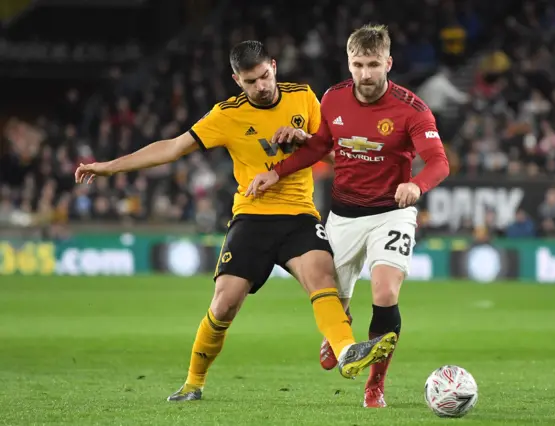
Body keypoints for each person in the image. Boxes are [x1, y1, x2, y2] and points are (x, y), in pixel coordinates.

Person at [74, 40, 397, 402]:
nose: (260, 86)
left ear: (274, 66)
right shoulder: (226, 115)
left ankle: (346, 352)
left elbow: (340, 153)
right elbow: (173, 147)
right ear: (236, 81)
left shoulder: (304, 97)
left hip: (299, 215)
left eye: (264, 76)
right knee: (225, 303)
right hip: (252, 217)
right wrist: (108, 167)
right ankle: (194, 383)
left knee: (322, 277)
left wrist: (305, 140)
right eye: (250, 81)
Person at [246, 25, 450, 408]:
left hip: (392, 213)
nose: (366, 74)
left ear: (388, 63)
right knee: (331, 304)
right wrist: (277, 172)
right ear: (349, 63)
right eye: (358, 64)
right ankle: (340, 334)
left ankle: (375, 386)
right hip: (342, 215)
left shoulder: (412, 109)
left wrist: (417, 186)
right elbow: (321, 146)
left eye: (374, 64)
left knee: (385, 292)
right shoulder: (333, 98)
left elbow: (439, 163)